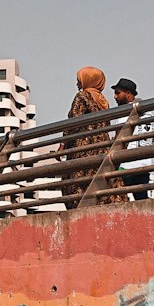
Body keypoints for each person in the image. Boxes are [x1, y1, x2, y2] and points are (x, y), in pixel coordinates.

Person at [62, 67, 118, 206]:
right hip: (101, 146)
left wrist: (63, 144)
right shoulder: (103, 101)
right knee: (96, 180)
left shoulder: (82, 96)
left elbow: (74, 121)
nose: (77, 84)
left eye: (79, 80)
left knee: (75, 183)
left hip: (83, 146)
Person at [111, 78, 154, 200]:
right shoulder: (148, 112)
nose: (115, 96)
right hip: (144, 165)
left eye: (118, 93)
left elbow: (120, 141)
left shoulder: (124, 112)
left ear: (128, 93)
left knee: (115, 198)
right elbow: (152, 138)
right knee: (142, 201)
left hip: (126, 165)